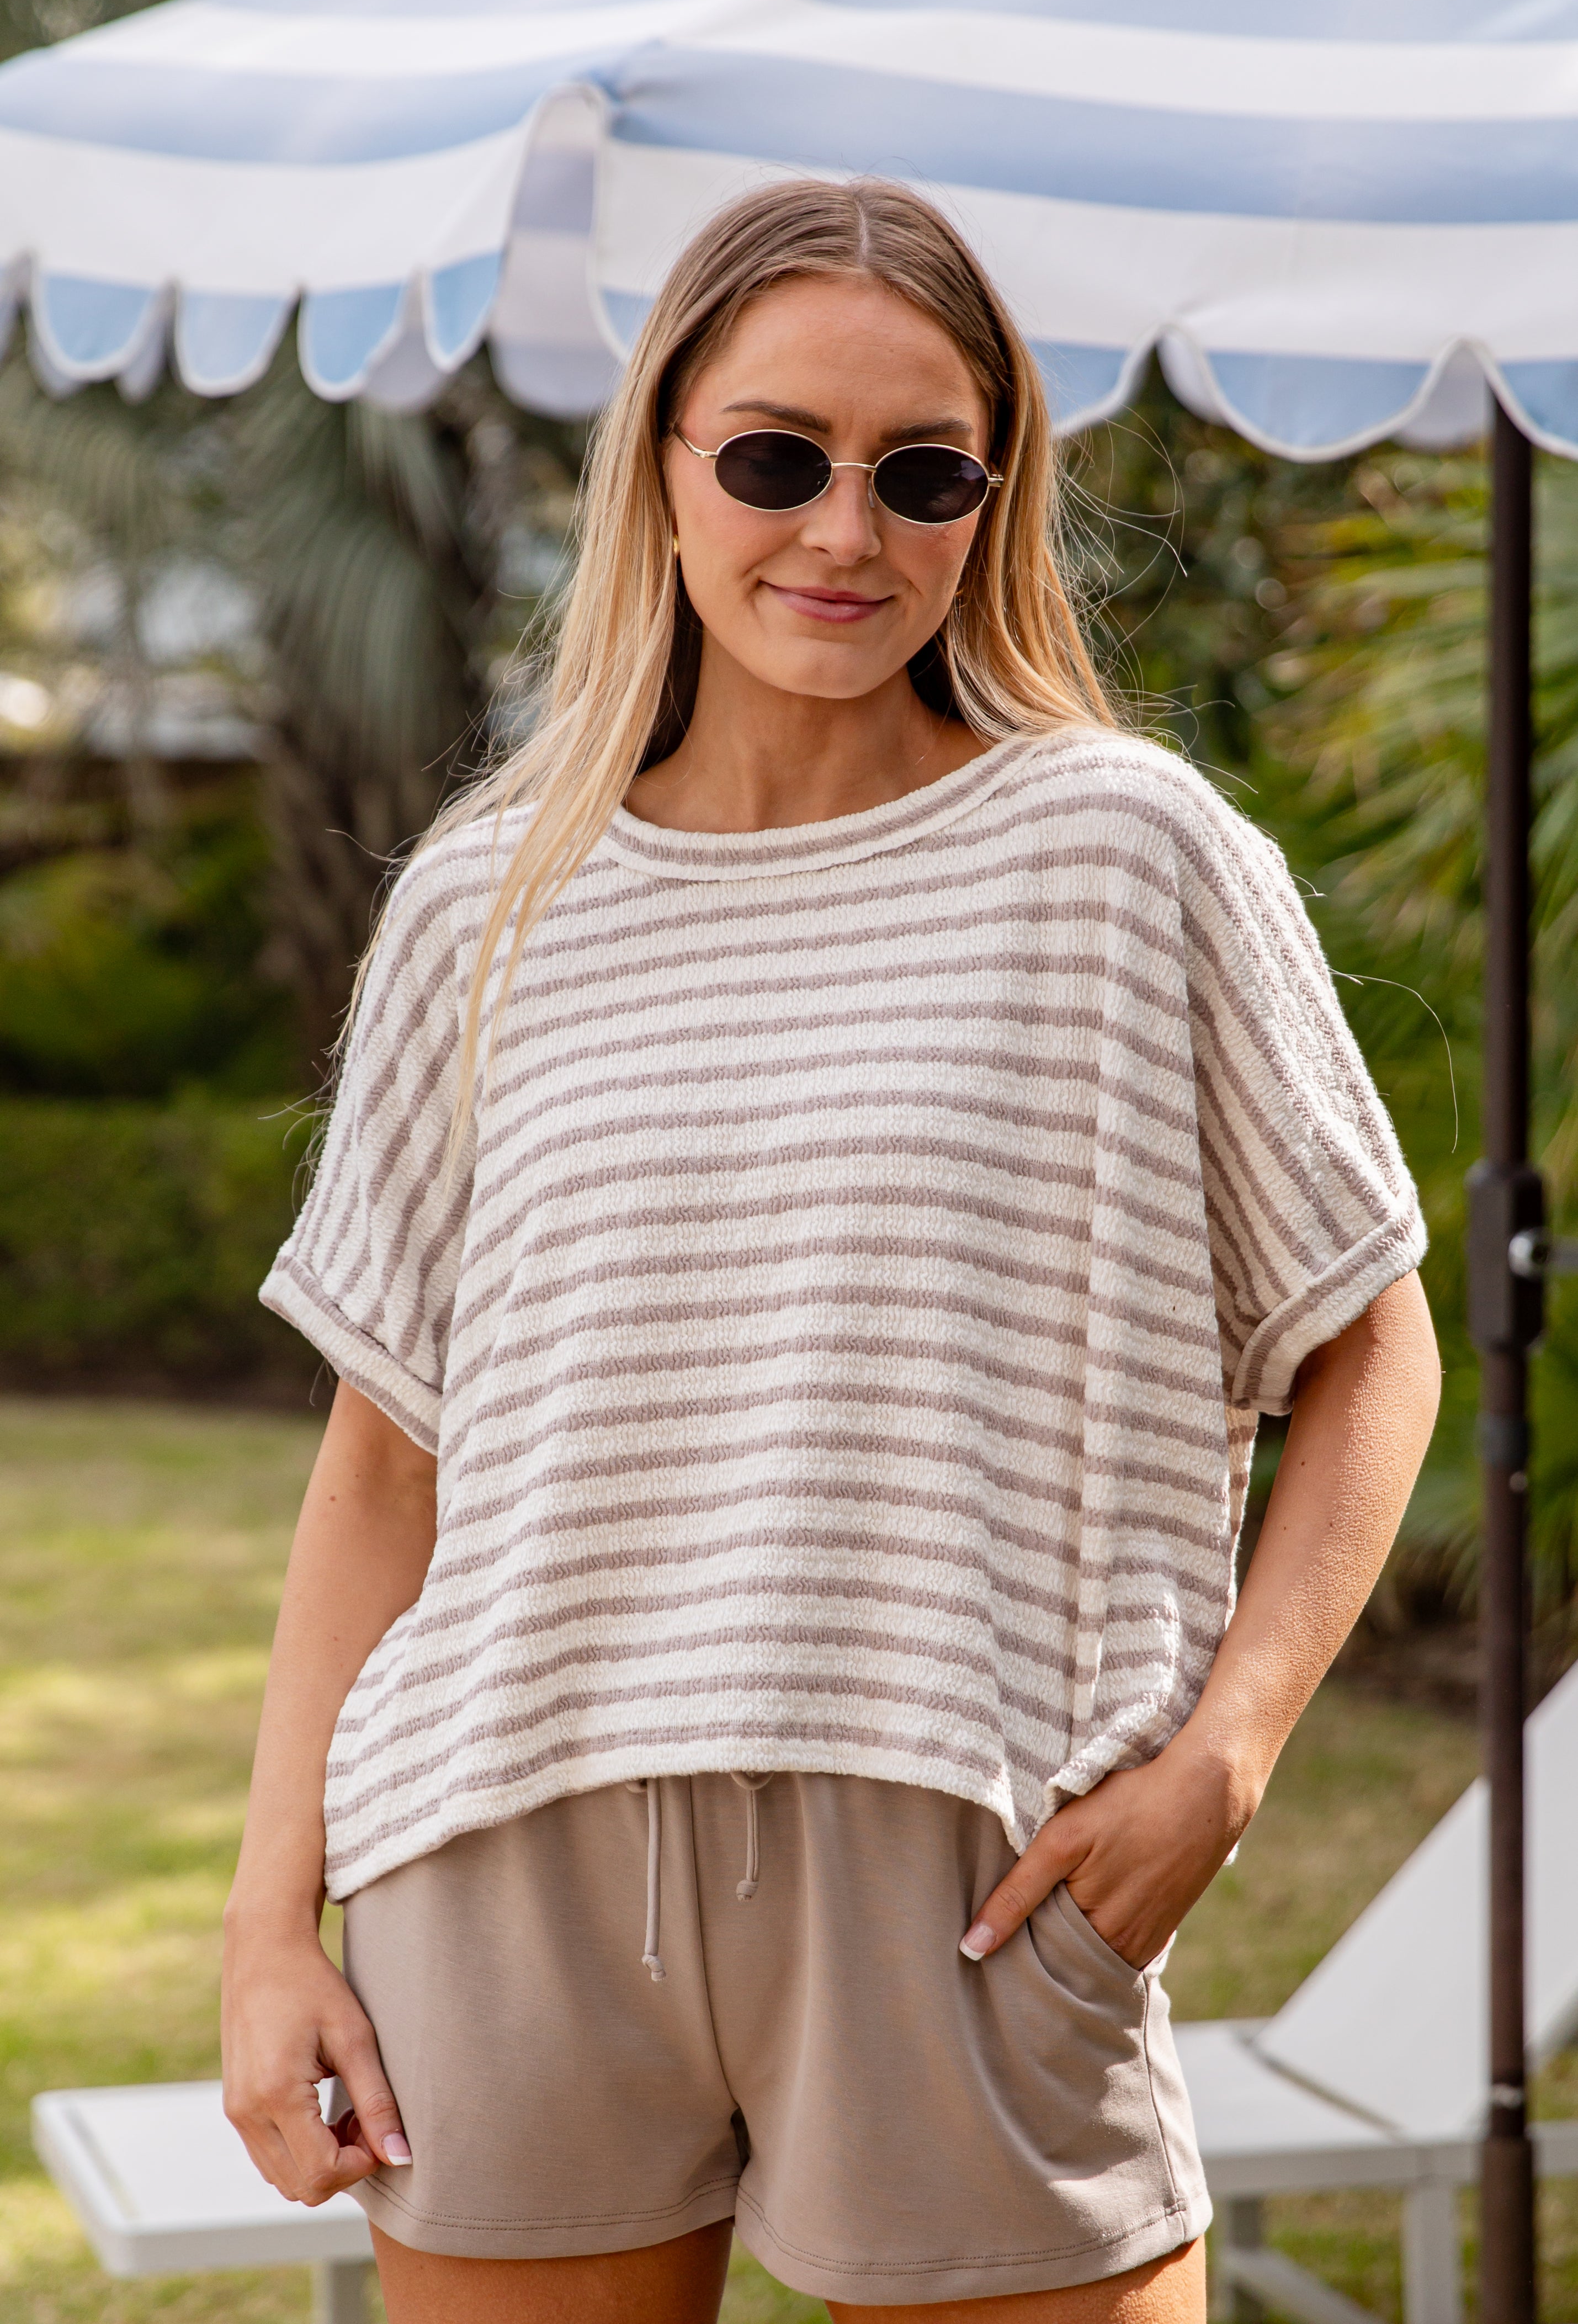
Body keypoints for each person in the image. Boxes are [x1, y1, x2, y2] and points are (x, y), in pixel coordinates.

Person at [221, 179, 1441, 2324]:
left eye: (924, 473)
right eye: (777, 458)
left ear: (995, 497)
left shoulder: (1122, 855)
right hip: (502, 1858)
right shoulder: (485, 905)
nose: (845, 532)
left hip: (969, 1867)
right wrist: (266, 1929)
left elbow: (1371, 1344)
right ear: (662, 468)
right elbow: (383, 1466)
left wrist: (1226, 1759)